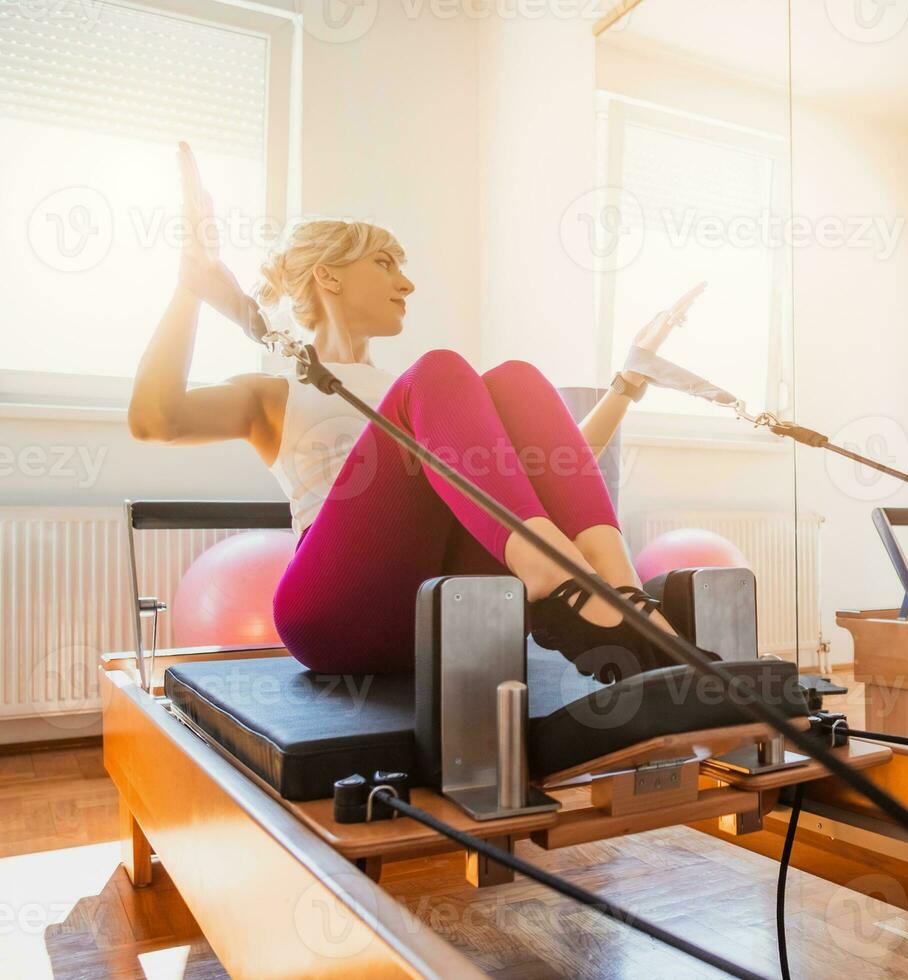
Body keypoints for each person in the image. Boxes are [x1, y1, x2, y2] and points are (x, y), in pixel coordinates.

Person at [129, 142, 702, 674]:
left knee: (517, 381)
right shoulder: (281, 392)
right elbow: (155, 419)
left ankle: (622, 602)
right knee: (442, 370)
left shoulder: (428, 396)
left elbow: (548, 467)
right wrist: (191, 286)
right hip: (338, 612)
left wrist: (625, 384)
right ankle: (563, 583)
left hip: (448, 606)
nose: (406, 284)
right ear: (327, 273)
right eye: (383, 264)